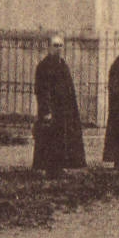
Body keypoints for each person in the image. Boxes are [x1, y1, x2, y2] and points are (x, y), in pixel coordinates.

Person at [32, 36, 86, 177]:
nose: (58, 48)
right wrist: (46, 110)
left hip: (64, 109)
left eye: (61, 45)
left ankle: (59, 166)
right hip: (51, 108)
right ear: (49, 47)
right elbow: (41, 90)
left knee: (62, 139)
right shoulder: (43, 66)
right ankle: (48, 168)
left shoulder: (63, 64)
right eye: (55, 45)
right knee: (49, 138)